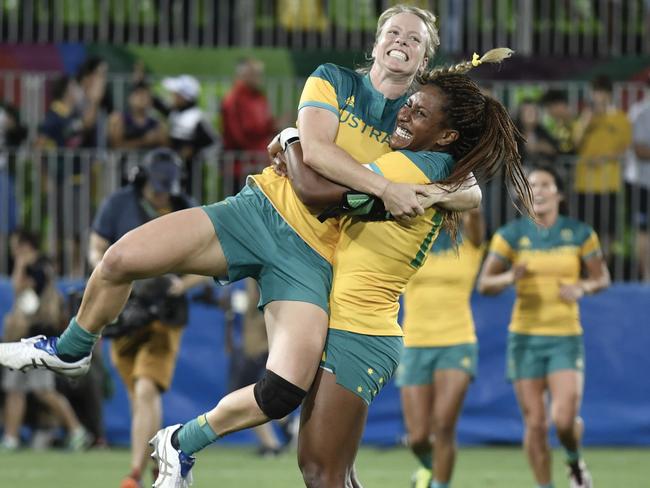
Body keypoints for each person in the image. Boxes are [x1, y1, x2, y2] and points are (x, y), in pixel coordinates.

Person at [0, 6, 469, 488]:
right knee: (120, 258)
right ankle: (72, 349)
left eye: (414, 40)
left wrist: (438, 191)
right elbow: (317, 152)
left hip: (313, 258)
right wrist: (378, 185)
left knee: (285, 389)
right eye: (393, 32)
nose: (402, 42)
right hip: (258, 210)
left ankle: (181, 444)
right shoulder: (332, 79)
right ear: (375, 43)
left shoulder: (414, 126)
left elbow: (469, 185)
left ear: (424, 60)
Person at [477, 166, 611, 488]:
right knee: (536, 424)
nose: (537, 190)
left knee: (563, 421)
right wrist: (511, 277)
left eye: (545, 184)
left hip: (565, 337)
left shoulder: (579, 233)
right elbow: (484, 283)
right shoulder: (510, 235)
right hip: (524, 338)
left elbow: (602, 277)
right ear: (524, 194)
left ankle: (574, 461)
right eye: (531, 185)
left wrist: (583, 288)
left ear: (558, 194)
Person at [86, 148, 202, 488]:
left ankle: (135, 472)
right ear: (142, 179)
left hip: (165, 314)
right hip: (125, 310)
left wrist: (184, 284)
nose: (163, 192)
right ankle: (159, 464)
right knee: (139, 396)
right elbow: (96, 246)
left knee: (147, 387)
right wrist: (110, 270)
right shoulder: (119, 203)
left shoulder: (186, 206)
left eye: (168, 186)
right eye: (157, 186)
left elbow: (214, 257)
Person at [396, 208, 485, 488]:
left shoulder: (470, 243)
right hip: (415, 344)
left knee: (444, 425)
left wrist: (455, 181)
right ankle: (427, 467)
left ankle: (439, 484)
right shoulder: (411, 242)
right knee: (419, 435)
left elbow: (476, 211)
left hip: (457, 342)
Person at [1, 230, 91, 451]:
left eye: (15, 245)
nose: (13, 250)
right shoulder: (44, 266)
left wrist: (20, 265)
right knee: (15, 390)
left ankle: (77, 431)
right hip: (28, 340)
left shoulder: (37, 267)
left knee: (43, 391)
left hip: (37, 339)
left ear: (24, 245)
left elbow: (20, 291)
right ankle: (11, 438)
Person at [222, 278, 289, 456]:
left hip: (256, 346)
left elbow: (253, 305)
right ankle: (285, 426)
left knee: (245, 395)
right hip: (255, 344)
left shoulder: (253, 274)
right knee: (259, 392)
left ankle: (275, 440)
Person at [572, 75, 632, 253]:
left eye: (601, 92)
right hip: (584, 184)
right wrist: (585, 122)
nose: (598, 96)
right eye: (595, 92)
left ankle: (604, 266)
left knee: (608, 231)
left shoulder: (621, 119)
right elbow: (575, 144)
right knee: (584, 229)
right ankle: (586, 268)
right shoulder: (584, 117)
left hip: (609, 184)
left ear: (609, 95)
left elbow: (625, 148)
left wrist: (604, 158)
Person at [221, 58, 286, 193]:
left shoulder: (259, 97)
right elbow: (236, 136)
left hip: (258, 163)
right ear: (243, 75)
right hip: (240, 166)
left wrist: (275, 125)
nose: (259, 77)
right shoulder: (233, 99)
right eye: (255, 73)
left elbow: (263, 125)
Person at [625, 73, 650, 281]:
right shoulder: (640, 112)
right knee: (643, 230)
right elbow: (640, 150)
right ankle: (647, 276)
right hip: (643, 182)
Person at [108, 81, 165, 151]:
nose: (142, 98)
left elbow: (166, 148)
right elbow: (115, 147)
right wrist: (143, 141)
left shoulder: (157, 123)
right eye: (138, 94)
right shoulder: (118, 119)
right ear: (130, 98)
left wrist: (159, 139)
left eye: (146, 95)